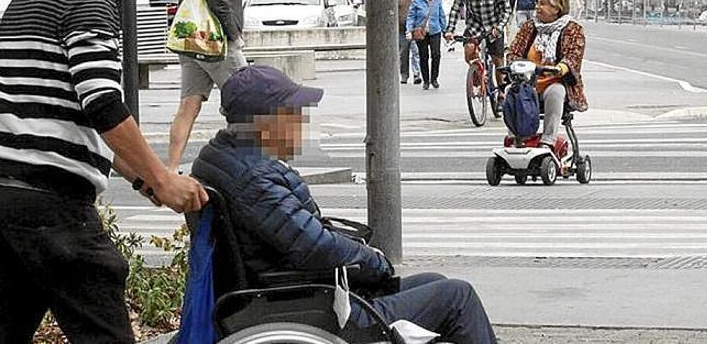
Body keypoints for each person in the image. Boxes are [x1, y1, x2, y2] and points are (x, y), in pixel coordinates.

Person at [0, 0, 208, 344]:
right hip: (51, 209)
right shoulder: (90, 6)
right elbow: (101, 106)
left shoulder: (21, 4)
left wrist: (145, 181)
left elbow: (58, 117)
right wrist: (162, 176)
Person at [191, 66, 497, 344]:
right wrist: (373, 261)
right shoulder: (256, 179)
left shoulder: (223, 158)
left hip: (287, 292)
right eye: (295, 114)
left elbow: (300, 235)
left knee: (436, 283)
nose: (302, 123)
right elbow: (314, 246)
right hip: (305, 306)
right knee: (458, 296)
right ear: (266, 123)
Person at [168, 0, 248, 172]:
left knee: (188, 107)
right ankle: (243, 165)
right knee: (247, 102)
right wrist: (233, 31)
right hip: (216, 41)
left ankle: (172, 166)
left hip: (192, 41)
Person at [507, 0, 588, 148]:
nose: (537, 7)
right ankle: (516, 138)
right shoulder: (529, 27)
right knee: (511, 89)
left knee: (555, 92)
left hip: (554, 81)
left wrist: (561, 68)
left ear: (556, 8)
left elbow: (573, 56)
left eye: (542, 4)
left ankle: (548, 139)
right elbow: (514, 51)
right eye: (538, 3)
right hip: (528, 81)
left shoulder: (572, 29)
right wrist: (514, 65)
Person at [444, 0, 510, 93]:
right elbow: (456, 9)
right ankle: (478, 74)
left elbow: (506, 10)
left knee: (498, 62)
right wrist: (450, 30)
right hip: (474, 26)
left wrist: (500, 27)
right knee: (469, 50)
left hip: (493, 26)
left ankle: (501, 94)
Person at [407, 0, 448, 90]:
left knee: (436, 55)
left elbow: (441, 15)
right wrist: (409, 29)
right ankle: (426, 80)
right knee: (423, 56)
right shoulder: (416, 0)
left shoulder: (437, 0)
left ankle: (434, 78)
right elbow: (411, 17)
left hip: (435, 31)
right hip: (421, 32)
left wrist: (445, 30)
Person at [397, 0, 422, 84]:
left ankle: (417, 74)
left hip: (416, 29)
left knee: (416, 52)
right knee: (403, 53)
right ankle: (404, 75)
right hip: (402, 30)